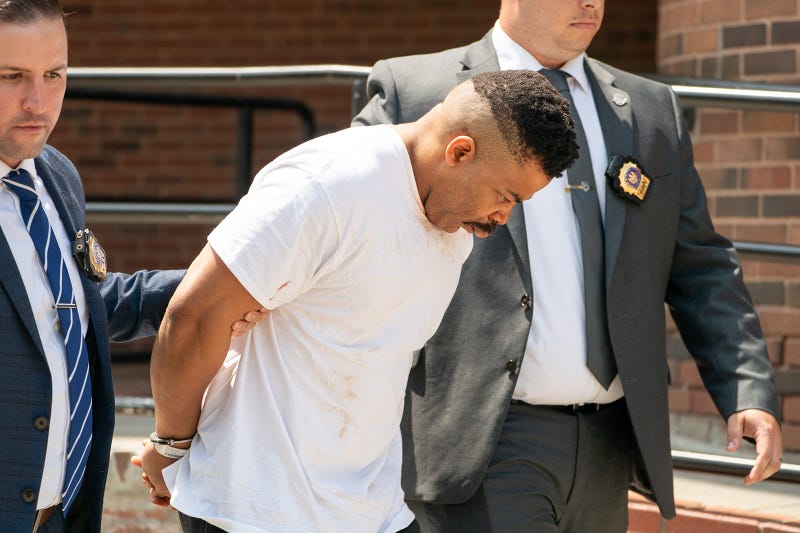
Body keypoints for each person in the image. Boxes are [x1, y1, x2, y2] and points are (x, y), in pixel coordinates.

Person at [352, 0, 783, 531]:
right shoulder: (415, 89)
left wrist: (746, 389)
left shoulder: (650, 109)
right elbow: (352, 225)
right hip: (481, 440)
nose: (591, 3)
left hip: (608, 447)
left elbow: (700, 264)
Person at [136, 69, 578, 533]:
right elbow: (194, 316)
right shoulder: (328, 184)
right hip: (254, 510)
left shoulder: (454, 227)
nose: (502, 217)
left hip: (372, 512)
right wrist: (171, 443)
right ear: (460, 151)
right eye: (505, 196)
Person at [0, 2, 261, 531]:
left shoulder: (55, 175)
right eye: (11, 76)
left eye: (54, 75)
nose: (38, 100)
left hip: (61, 512)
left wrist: (218, 289)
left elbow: (84, 305)